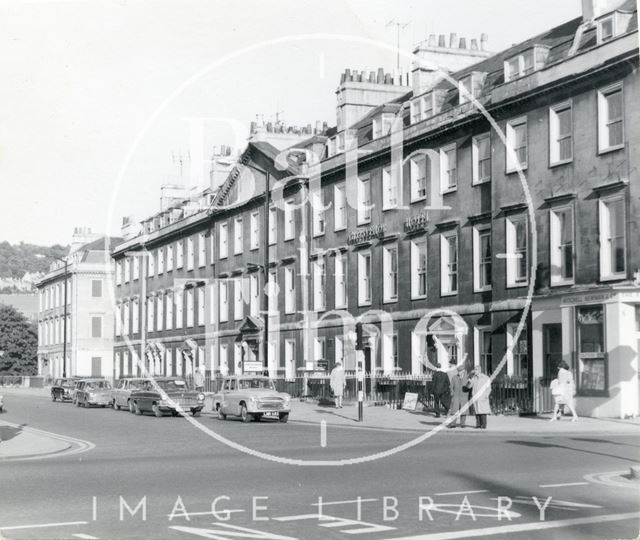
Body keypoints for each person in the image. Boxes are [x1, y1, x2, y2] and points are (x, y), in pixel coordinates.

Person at [448, 364, 470, 428]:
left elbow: (469, 387)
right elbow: (451, 386)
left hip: (464, 396)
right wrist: (452, 393)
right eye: (458, 371)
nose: (459, 372)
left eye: (460, 371)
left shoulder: (467, 378)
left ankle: (462, 423)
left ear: (463, 371)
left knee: (463, 411)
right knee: (454, 410)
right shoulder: (454, 377)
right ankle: (453, 423)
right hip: (456, 396)